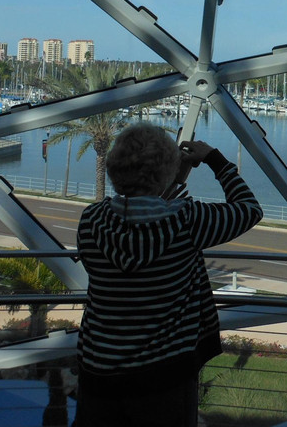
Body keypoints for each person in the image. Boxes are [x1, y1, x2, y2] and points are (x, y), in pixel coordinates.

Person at [72, 123, 263, 427]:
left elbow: (138, 220)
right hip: (165, 377)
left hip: (99, 374)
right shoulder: (188, 221)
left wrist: (166, 184)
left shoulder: (91, 221)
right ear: (164, 173)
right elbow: (249, 209)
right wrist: (216, 160)